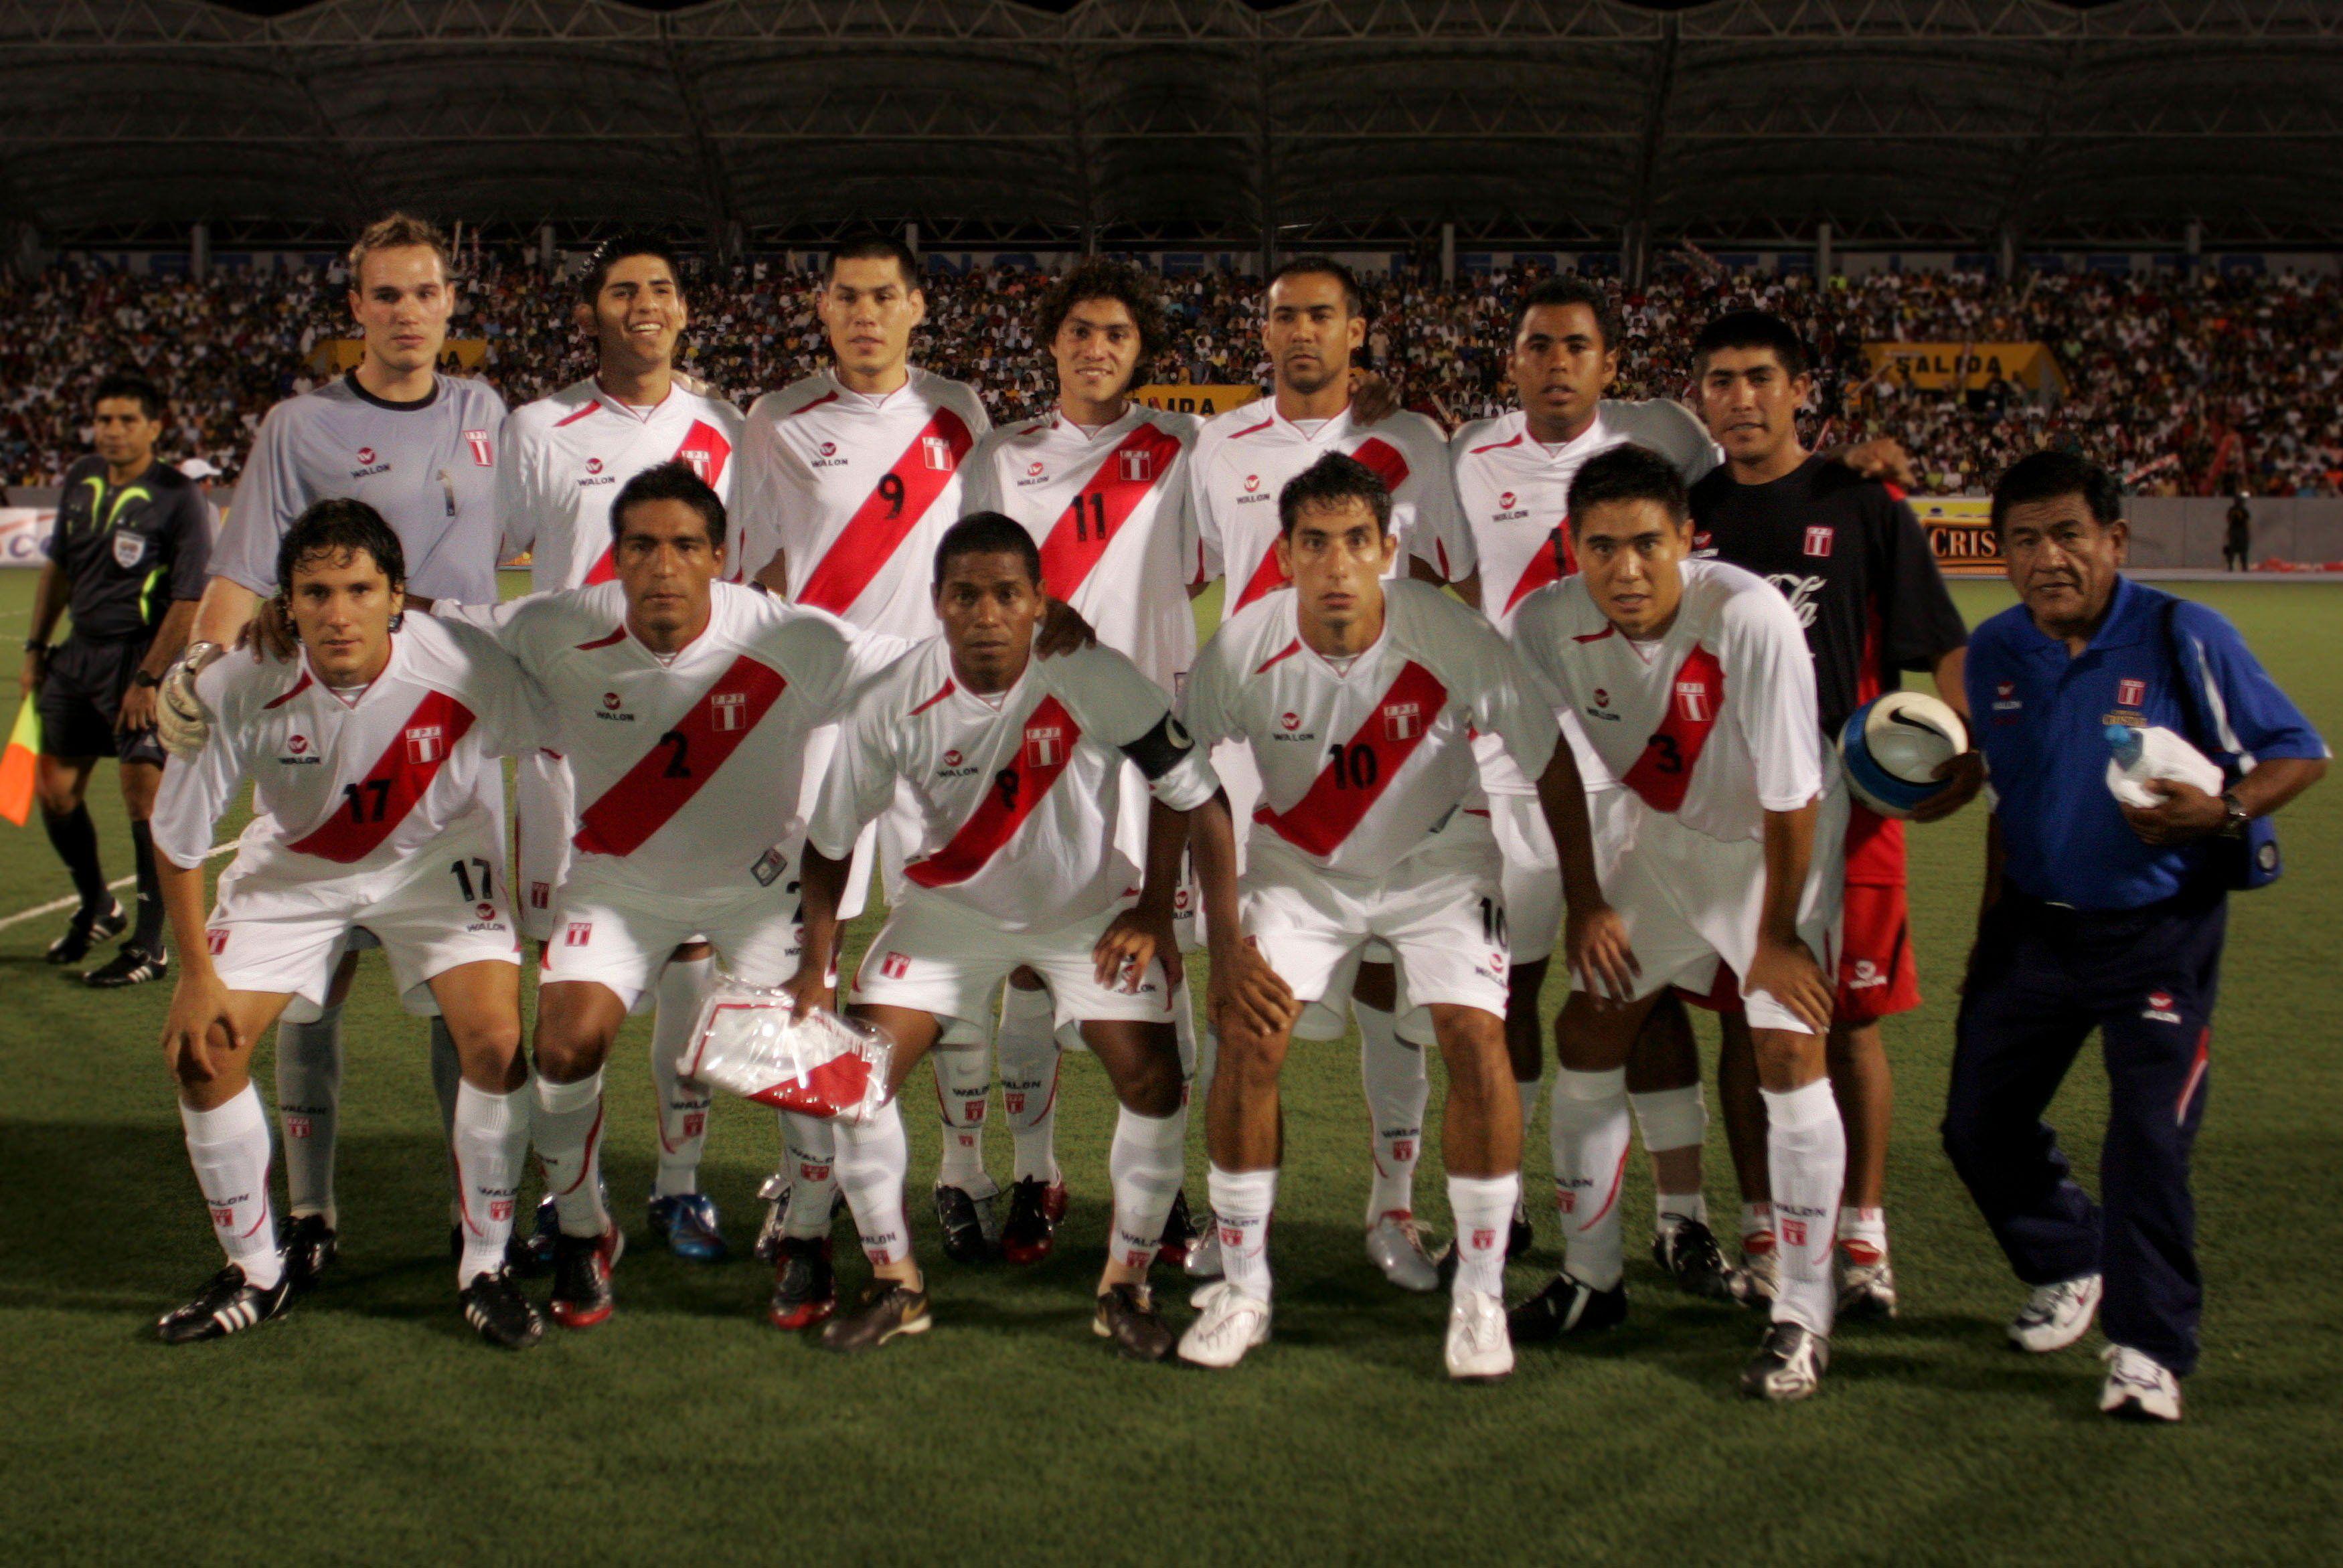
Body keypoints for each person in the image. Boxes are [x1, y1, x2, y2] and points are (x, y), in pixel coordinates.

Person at [440, 463, 898, 1330]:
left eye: (686, 544)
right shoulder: (555, 626)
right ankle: (583, 1229)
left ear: (720, 557)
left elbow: (915, 671)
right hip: (616, 882)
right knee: (565, 1045)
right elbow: (442, 636)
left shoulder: (790, 636)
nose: (663, 564)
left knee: (798, 1066)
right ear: (614, 557)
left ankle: (806, 1233)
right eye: (643, 545)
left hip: (758, 888)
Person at [1175, 453, 1585, 1380]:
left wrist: (1591, 896)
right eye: (1313, 543)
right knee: (1249, 1036)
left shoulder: (1449, 630)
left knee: (1477, 1037)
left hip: (1440, 859)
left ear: (1387, 548)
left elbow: (1550, 760)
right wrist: (1226, 927)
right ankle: (1245, 1284)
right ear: (1283, 554)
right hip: (1300, 867)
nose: (1335, 564)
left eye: (1356, 540)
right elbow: (1186, 778)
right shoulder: (1241, 645)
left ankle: (1478, 1293)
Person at [158, 212, 507, 1290]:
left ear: (454, 304)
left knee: (471, 1002)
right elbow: (249, 565)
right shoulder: (299, 424)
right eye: (386, 295)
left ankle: (474, 1221)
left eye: (425, 292)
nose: (408, 312)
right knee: (317, 988)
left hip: (447, 720)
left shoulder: (489, 410)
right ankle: (309, 1214)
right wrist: (200, 666)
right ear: (354, 308)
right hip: (331, 714)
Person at [784, 513, 1228, 1359]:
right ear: (937, 605)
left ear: (1037, 603)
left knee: (1152, 1077)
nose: (984, 613)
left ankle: (1124, 1286)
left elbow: (1188, 788)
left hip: (1084, 911)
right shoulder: (891, 700)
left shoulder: (1090, 675)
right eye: (964, 596)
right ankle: (894, 1283)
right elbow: (828, 845)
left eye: (1005, 595)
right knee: (852, 1078)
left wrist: (1152, 908)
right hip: (947, 912)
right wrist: (816, 965)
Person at [1946, 451, 2325, 1423]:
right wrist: (1992, 931)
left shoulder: (2180, 630)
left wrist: (2225, 810)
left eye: (2070, 533)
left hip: (2159, 930)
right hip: (2035, 928)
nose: (2049, 557)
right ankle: (2073, 1257)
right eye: (2024, 539)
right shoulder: (1994, 654)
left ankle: (2149, 1347)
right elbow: (2005, 799)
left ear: (2114, 540)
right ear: (2001, 553)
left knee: (2148, 1139)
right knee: (1978, 1123)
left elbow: (2298, 749)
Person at [149, 500, 542, 1349]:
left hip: (434, 869)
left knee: (495, 1044)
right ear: (284, 603)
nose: (338, 613)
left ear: (398, 595)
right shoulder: (238, 681)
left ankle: (485, 1261)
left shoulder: (467, 664)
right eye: (315, 592)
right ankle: (255, 1267)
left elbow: (569, 724)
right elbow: (178, 842)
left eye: (359, 590)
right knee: (201, 1050)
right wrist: (193, 973)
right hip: (295, 874)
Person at [1508, 444, 1848, 1402]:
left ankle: (1805, 1312)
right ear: (1570, 547)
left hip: (1777, 851)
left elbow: (1793, 791)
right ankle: (1590, 1276)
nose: (1625, 569)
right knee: (1588, 1025)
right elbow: (1552, 764)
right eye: (1602, 546)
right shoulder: (1542, 622)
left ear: (1689, 540)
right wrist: (1585, 895)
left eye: (1648, 544)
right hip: (1662, 842)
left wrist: (1778, 935)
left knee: (1788, 1050)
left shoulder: (1750, 614)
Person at [1677, 310, 1980, 1318]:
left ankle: (1864, 1236)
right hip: (1723, 812)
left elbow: (1941, 640)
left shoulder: (1865, 503)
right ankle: (1766, 1225)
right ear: (1700, 398)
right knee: (1738, 1024)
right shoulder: (1689, 514)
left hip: (1849, 806)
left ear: (1800, 387)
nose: (1741, 397)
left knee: (1851, 1023)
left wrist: (1965, 752)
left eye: (1760, 377)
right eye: (1720, 381)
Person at [1186, 256, 1480, 1294]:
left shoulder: (1413, 445)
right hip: (1256, 760)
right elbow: (1188, 573)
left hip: (1391, 756)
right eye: (1283, 316)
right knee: (1243, 998)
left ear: (1358, 330)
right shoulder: (1216, 443)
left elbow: (1455, 585)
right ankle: (1232, 1222)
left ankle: (1392, 1205)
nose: (1301, 330)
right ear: (1260, 333)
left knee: (1393, 988)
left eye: (1322, 315)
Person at [1447, 275, 1728, 1280]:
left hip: (1636, 774)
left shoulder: (1665, 447)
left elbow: (1756, 474)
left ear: (1609, 363)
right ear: (1511, 359)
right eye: (1537, 345)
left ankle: (1682, 1211)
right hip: (1510, 770)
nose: (1556, 362)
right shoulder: (1467, 454)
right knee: (1503, 989)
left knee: (1640, 993)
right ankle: (1509, 1197)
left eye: (1575, 346)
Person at [736, 234, 1002, 1270]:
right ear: (822, 305)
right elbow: (756, 568)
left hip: (939, 712)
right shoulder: (775, 419)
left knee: (950, 944)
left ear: (917, 306)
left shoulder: (961, 413)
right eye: (847, 296)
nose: (864, 313)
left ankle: (963, 1166)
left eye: (883, 296)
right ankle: (816, 1181)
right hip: (823, 721)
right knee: (807, 961)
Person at [498, 233, 746, 1263]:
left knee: (692, 963)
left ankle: (681, 1185)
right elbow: (488, 564)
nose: (642, 303)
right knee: (571, 992)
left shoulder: (728, 427)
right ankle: (573, 1195)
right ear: (592, 309)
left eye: (660, 288)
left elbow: (752, 572)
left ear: (684, 309)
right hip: (572, 752)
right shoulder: (537, 427)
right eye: (620, 289)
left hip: (693, 747)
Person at [961, 260, 1204, 1266]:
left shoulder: (1186, 447)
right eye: (1079, 330)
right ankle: (1034, 1171)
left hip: (1148, 731)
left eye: (1116, 332)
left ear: (1142, 349)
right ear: (1052, 342)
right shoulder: (1001, 452)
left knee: (1163, 950)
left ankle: (1170, 1191)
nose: (1096, 346)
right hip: (1034, 734)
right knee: (1026, 949)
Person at [23, 373, 209, 986]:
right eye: (103, 419)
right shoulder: (80, 479)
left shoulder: (179, 497)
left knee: (143, 797)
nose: (112, 430)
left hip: (141, 659)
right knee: (52, 790)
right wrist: (34, 648)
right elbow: (58, 569)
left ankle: (150, 947)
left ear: (155, 426)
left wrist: (151, 677)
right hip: (77, 656)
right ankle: (98, 903)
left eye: (127, 419)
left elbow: (187, 598)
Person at [2223, 494, 2251, 572]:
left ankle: (2232, 566)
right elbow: (2247, 522)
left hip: (2234, 531)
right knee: (2242, 550)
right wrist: (2248, 533)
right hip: (2240, 531)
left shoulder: (2232, 510)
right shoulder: (2243, 511)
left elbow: (2229, 521)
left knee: (2234, 549)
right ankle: (2243, 567)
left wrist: (2229, 531)